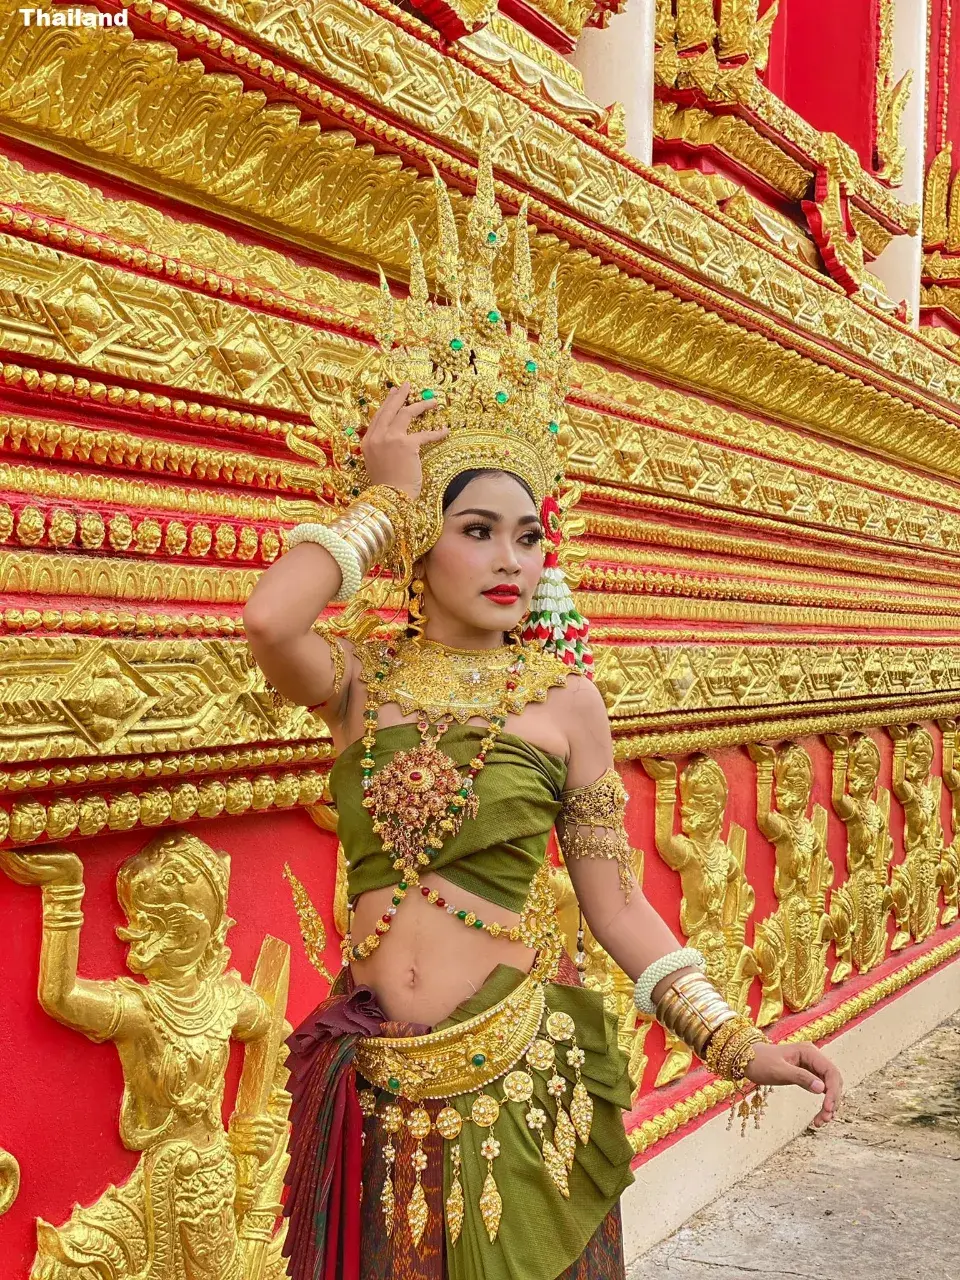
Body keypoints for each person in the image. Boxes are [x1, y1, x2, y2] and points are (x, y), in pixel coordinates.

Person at [243, 152, 842, 1280]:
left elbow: (620, 908)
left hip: (520, 1084)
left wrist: (734, 1037)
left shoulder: (565, 701)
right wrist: (379, 501)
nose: (511, 557)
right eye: (476, 528)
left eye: (529, 535)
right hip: (370, 1084)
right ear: (423, 539)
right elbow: (271, 620)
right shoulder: (362, 678)